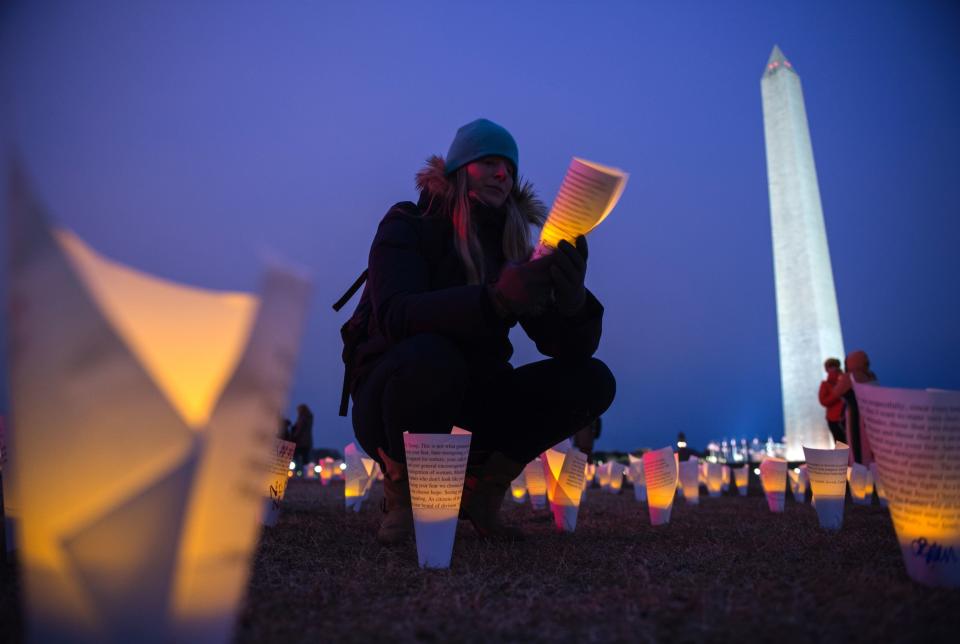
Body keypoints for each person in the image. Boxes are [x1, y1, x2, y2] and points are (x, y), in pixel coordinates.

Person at [348, 119, 616, 544]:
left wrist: (572, 300)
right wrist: (494, 301)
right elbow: (396, 315)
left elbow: (565, 348)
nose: (502, 174)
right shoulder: (409, 224)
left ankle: (481, 491)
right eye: (488, 162)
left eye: (508, 167)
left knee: (592, 379)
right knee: (433, 356)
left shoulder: (512, 247)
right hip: (392, 401)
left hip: (474, 403)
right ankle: (404, 495)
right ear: (459, 169)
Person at [826, 350, 877, 464]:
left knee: (857, 447)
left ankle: (859, 475)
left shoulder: (850, 377)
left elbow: (831, 397)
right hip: (872, 417)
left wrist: (829, 384)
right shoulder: (872, 376)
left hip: (855, 417)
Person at [818, 358, 845, 444]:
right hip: (836, 419)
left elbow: (823, 401)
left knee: (843, 444)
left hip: (842, 417)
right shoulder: (826, 384)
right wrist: (837, 393)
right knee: (843, 443)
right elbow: (823, 401)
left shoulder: (845, 380)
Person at [289, 404, 314, 471]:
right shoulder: (309, 417)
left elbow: (300, 429)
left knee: (296, 457)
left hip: (301, 441)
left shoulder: (303, 418)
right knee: (304, 458)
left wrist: (293, 436)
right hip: (306, 442)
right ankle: (305, 472)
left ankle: (297, 472)